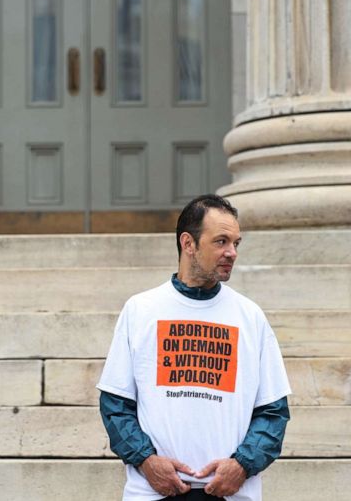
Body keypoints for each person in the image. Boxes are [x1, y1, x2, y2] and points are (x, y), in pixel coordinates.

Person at [97, 194, 291, 501]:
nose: (232, 253)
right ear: (188, 244)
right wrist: (147, 462)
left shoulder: (250, 316)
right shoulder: (141, 310)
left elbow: (273, 411)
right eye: (221, 242)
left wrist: (242, 465)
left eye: (236, 243)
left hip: (229, 494)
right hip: (153, 493)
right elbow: (115, 403)